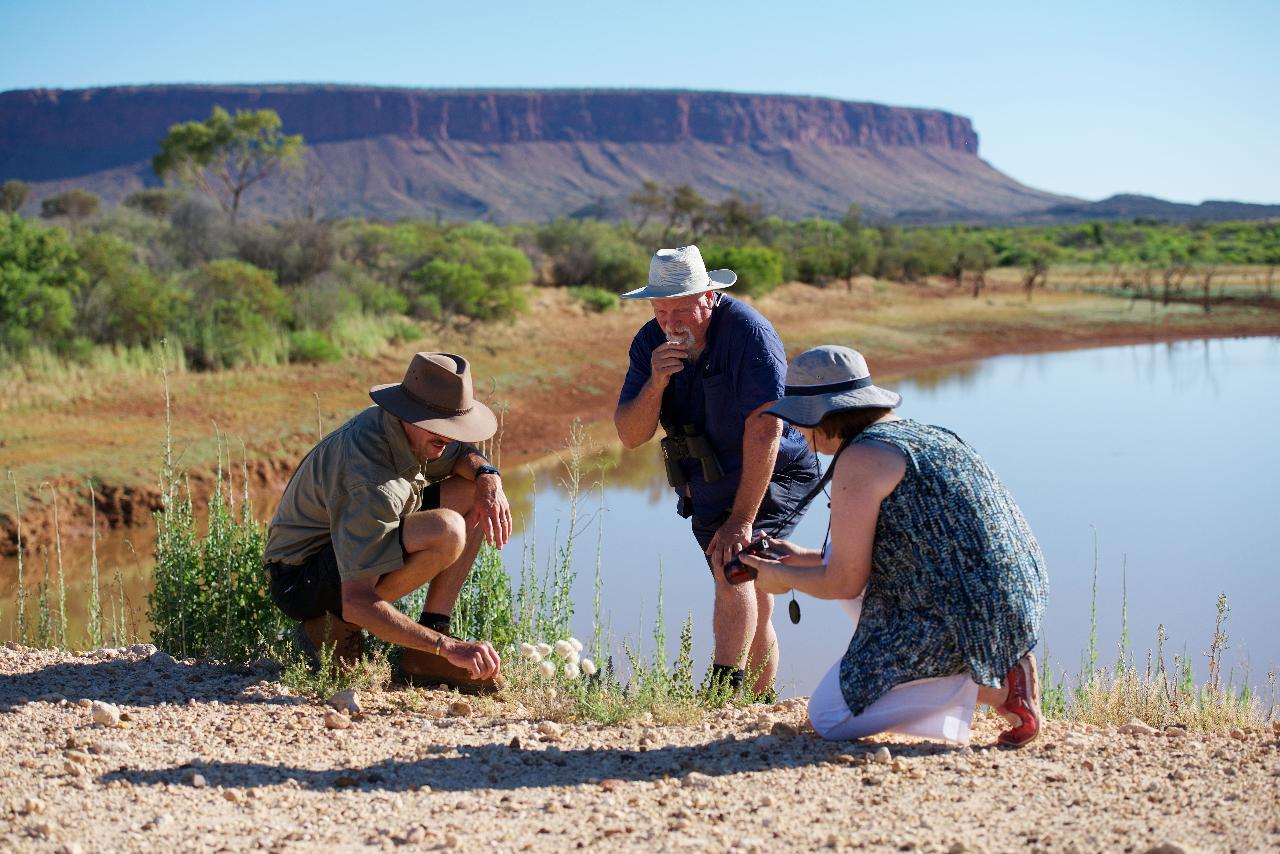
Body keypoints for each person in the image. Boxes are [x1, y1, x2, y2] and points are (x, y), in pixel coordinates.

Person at [739, 345, 1049, 746]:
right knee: (838, 569)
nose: (796, 431)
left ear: (826, 414)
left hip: (966, 613)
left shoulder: (861, 457)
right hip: (1009, 601)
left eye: (800, 420)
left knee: (829, 717)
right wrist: (798, 559)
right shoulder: (923, 434)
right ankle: (990, 670)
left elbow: (845, 582)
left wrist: (779, 578)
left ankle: (1000, 689)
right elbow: (895, 555)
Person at [614, 245, 820, 695]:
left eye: (683, 309)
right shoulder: (650, 342)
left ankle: (722, 691)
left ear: (709, 296)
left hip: (774, 471)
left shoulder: (750, 334)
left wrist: (742, 520)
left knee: (733, 564)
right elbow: (630, 435)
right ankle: (759, 704)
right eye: (660, 309)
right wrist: (656, 383)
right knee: (753, 591)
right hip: (707, 477)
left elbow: (765, 429)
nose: (671, 321)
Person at [263, 352, 512, 693]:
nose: (449, 438)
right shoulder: (371, 481)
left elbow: (464, 457)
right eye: (440, 428)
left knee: (471, 493)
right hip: (300, 578)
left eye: (453, 428)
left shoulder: (414, 432)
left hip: (349, 538)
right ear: (409, 413)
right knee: (447, 531)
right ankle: (330, 627)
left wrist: (488, 478)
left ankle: (427, 643)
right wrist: (450, 649)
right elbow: (358, 599)